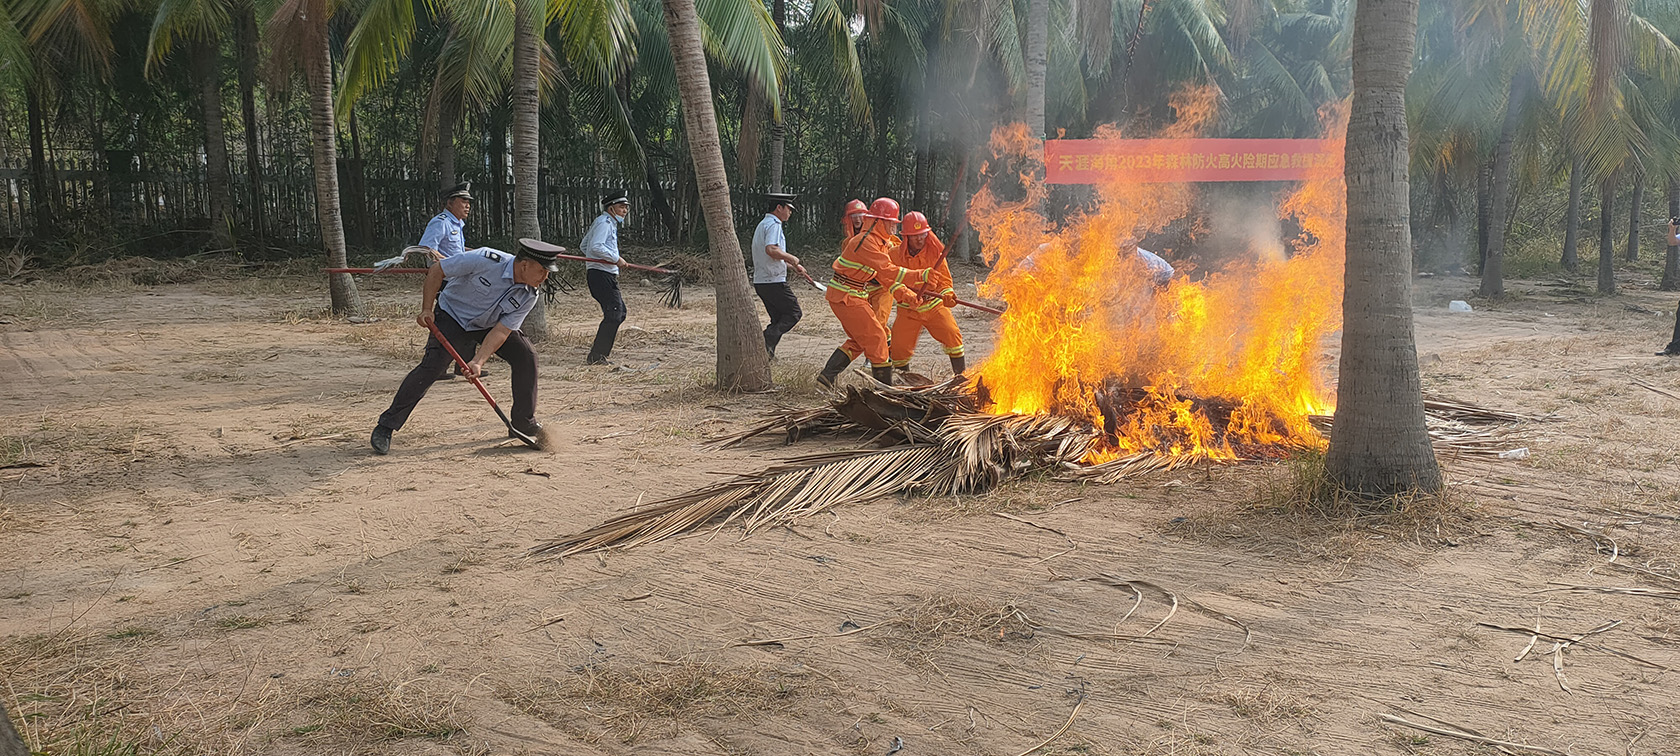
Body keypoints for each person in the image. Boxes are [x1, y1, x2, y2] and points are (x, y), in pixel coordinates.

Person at [370, 241, 562, 455]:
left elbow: (501, 331)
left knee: (526, 356)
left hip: (488, 324)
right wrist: (426, 309)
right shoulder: (485, 259)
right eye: (542, 271)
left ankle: (522, 423)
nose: (545, 277)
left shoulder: (529, 295)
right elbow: (437, 270)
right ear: (525, 265)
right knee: (432, 367)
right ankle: (386, 426)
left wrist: (478, 361)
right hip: (453, 316)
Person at [817, 198, 935, 387]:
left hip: (854, 294)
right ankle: (885, 390)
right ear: (878, 222)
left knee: (859, 340)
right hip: (846, 296)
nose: (894, 228)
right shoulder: (864, 242)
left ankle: (826, 378)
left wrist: (908, 296)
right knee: (877, 337)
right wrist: (920, 275)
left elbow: (886, 279)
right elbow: (889, 271)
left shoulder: (881, 243)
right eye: (891, 223)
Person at [886, 211, 965, 378]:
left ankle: (960, 378)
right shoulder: (893, 255)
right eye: (914, 236)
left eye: (922, 234)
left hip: (934, 306)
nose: (919, 239)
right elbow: (890, 280)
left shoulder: (936, 253)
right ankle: (904, 382)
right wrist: (905, 294)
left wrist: (948, 294)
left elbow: (945, 281)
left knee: (952, 334)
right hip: (908, 309)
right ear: (906, 237)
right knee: (899, 348)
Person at [751, 193, 807, 359]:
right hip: (773, 281)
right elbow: (772, 250)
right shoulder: (774, 224)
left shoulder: (763, 224)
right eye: (788, 209)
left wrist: (792, 266)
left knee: (778, 319)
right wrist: (792, 258)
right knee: (793, 313)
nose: (789, 213)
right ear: (779, 208)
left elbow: (770, 256)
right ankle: (764, 340)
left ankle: (766, 354)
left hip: (762, 281)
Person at [582, 191, 634, 365]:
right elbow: (596, 246)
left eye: (626, 207)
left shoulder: (607, 223)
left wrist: (603, 261)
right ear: (611, 208)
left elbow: (584, 246)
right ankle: (597, 356)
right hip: (601, 274)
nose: (625, 210)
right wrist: (615, 259)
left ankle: (599, 354)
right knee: (614, 314)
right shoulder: (604, 223)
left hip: (603, 273)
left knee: (620, 313)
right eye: (621, 207)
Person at [418, 182, 475, 262]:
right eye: (464, 202)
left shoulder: (457, 223)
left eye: (468, 203)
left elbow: (456, 250)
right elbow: (426, 249)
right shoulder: (441, 222)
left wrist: (478, 253)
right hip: (446, 273)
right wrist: (449, 263)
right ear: (450, 203)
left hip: (458, 271)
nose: (468, 206)